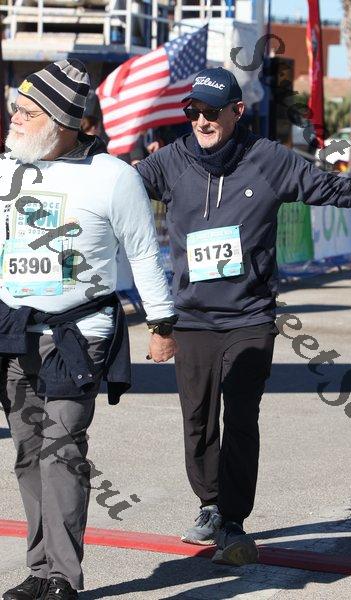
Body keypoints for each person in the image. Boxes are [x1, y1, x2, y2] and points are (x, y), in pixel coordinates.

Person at [135, 66, 351, 567]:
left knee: (240, 418)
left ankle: (233, 519)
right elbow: (116, 193)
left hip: (249, 316)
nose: (200, 120)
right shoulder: (170, 161)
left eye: (211, 112)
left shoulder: (268, 160)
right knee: (197, 420)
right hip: (192, 318)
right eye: (193, 110)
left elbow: (332, 188)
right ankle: (210, 504)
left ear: (237, 111)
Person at [0, 59, 177, 600]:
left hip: (80, 335)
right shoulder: (7, 169)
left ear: (62, 122)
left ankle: (63, 576)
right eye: (16, 110)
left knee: (62, 449)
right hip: (15, 331)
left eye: (27, 113)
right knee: (29, 452)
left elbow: (143, 253)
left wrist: (162, 322)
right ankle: (38, 571)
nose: (14, 119)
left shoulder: (112, 177)